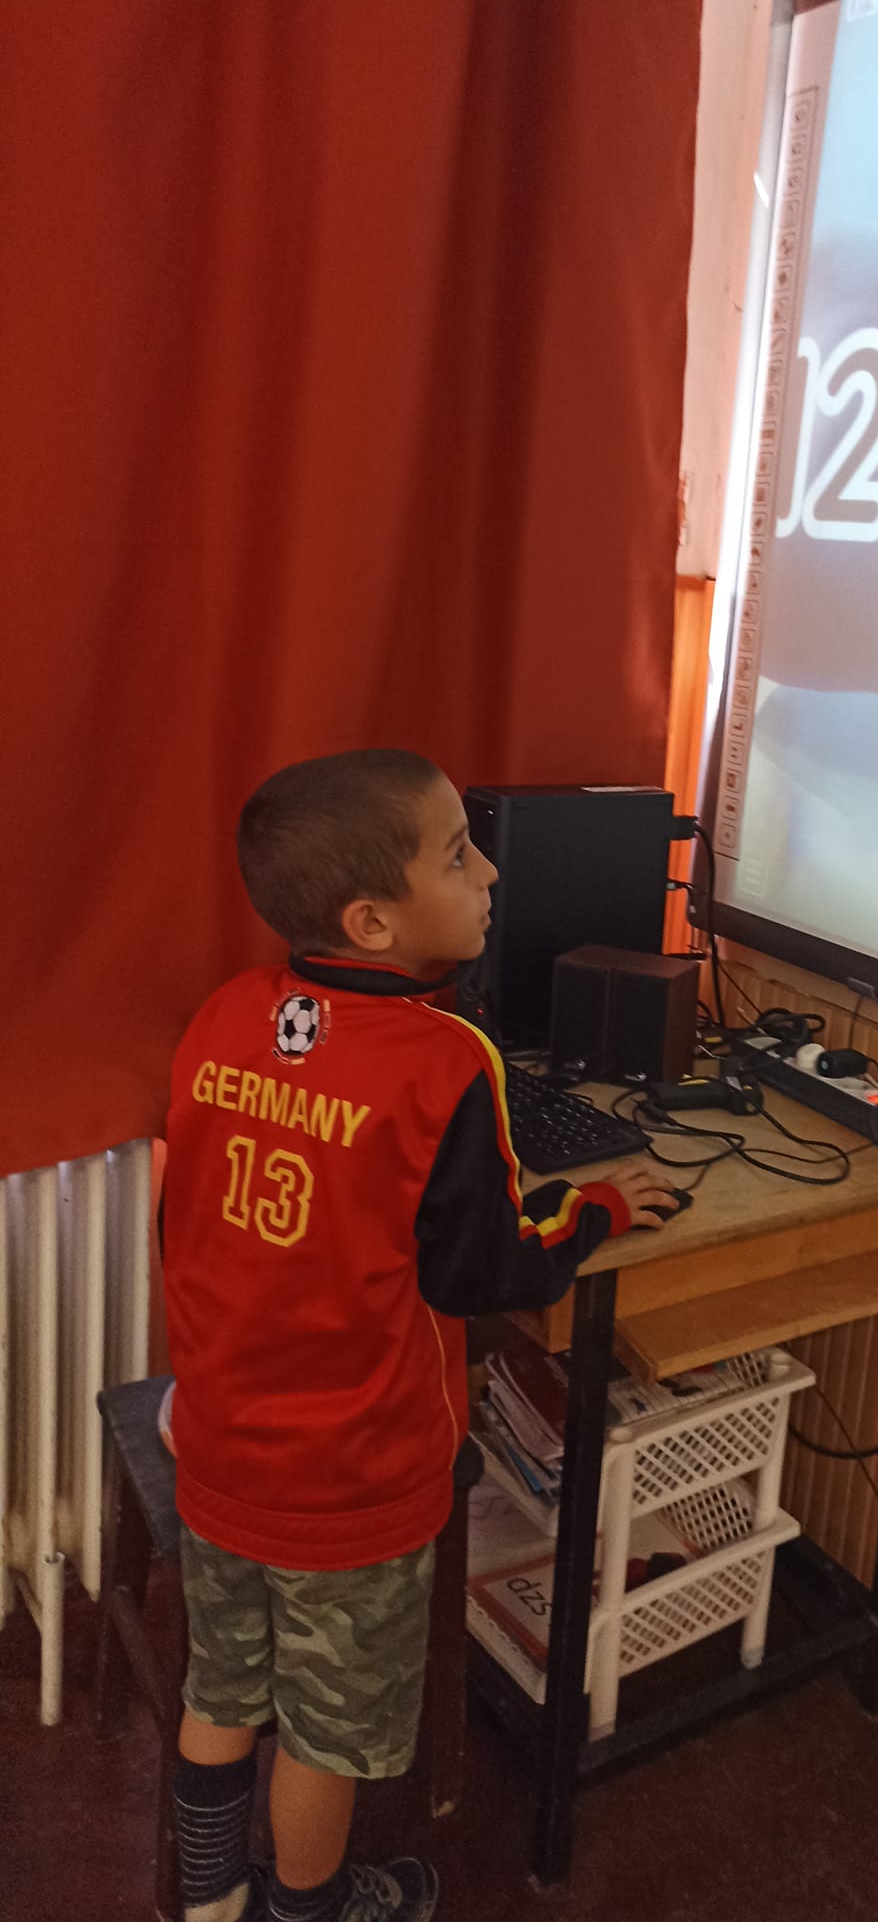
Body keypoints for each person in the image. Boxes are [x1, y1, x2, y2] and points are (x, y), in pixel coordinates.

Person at [161, 749, 678, 1922]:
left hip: (222, 1448)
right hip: (353, 1480)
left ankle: (206, 1901)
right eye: (456, 853)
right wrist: (592, 1208)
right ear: (372, 920)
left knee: (223, 1687)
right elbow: (478, 1271)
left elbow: (191, 1220)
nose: (488, 870)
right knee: (327, 1730)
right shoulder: (445, 1060)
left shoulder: (224, 1014)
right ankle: (308, 1907)